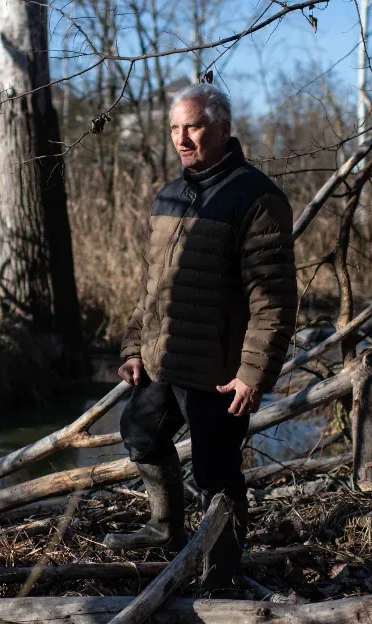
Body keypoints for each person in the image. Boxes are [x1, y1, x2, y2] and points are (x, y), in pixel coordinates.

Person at [105, 82, 297, 591]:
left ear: (223, 129)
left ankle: (222, 574)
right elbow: (153, 285)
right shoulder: (169, 194)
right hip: (162, 359)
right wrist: (133, 346)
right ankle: (165, 529)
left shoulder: (256, 198)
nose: (182, 138)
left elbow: (273, 299)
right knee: (141, 436)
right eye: (175, 128)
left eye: (193, 127)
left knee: (217, 476)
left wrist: (253, 373)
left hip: (218, 371)